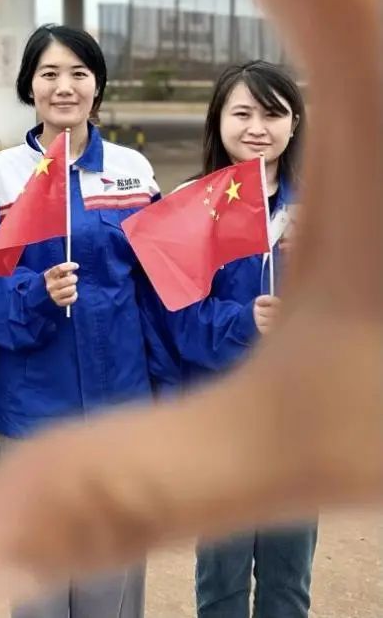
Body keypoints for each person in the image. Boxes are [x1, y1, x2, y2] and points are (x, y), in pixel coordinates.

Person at [0, 24, 180, 618]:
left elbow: (160, 291)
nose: (65, 87)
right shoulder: (0, 176)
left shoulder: (134, 172)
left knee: (110, 582)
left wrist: (165, 391)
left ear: (97, 86)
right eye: (49, 74)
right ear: (29, 86)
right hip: (33, 407)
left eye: (79, 74)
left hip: (121, 404)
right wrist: (37, 293)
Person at [164, 61, 316, 618]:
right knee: (222, 579)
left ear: (294, 124)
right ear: (218, 120)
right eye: (242, 113)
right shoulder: (188, 204)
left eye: (273, 114)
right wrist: (245, 322)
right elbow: (176, 318)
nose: (257, 127)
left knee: (288, 579)